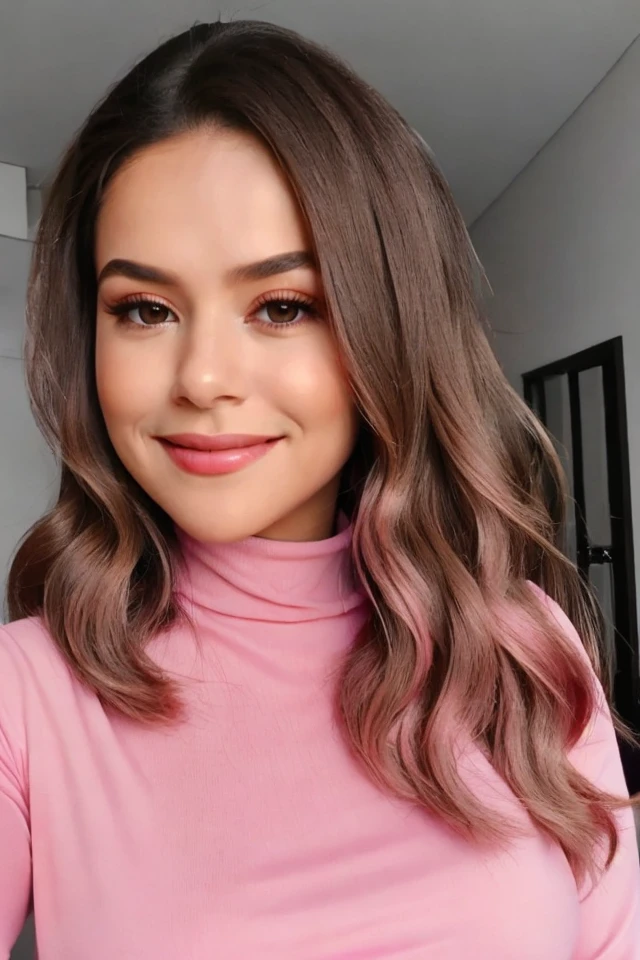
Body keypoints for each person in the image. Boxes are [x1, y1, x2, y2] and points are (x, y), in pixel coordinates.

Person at [1, 19, 638, 960]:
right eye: (145, 309)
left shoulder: (527, 650)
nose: (204, 377)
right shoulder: (30, 696)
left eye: (283, 306)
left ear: (386, 328)